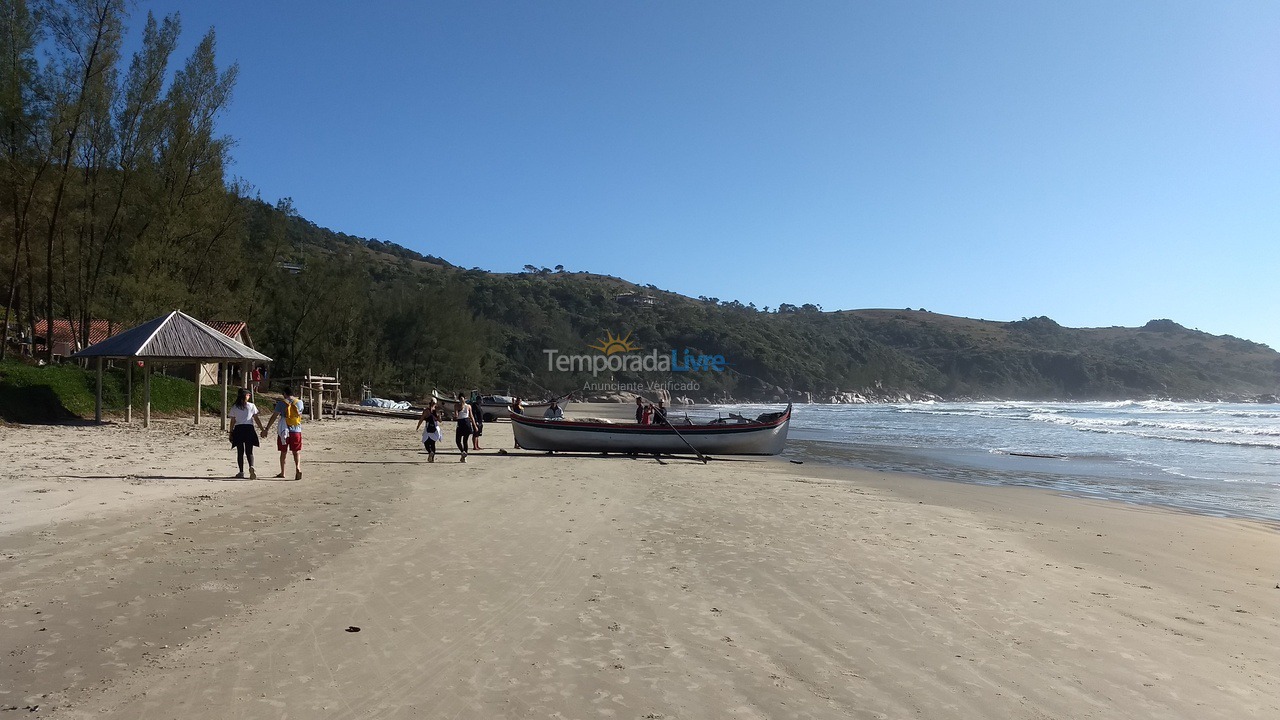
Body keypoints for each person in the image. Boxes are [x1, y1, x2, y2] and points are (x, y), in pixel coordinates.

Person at [262, 387, 305, 480]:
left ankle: (283, 472)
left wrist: (267, 428)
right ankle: (297, 467)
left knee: (283, 452)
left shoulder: (281, 403)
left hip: (283, 431)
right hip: (296, 430)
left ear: (285, 394)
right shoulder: (299, 402)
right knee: (296, 451)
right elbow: (299, 415)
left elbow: (274, 416)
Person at [229, 388, 266, 479]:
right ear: (246, 396)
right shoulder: (252, 406)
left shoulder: (235, 407)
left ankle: (241, 472)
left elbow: (233, 421)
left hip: (239, 429)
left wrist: (230, 432)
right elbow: (256, 419)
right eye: (249, 395)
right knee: (249, 451)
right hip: (249, 428)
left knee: (240, 451)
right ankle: (251, 466)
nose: (249, 396)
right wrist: (262, 429)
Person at [454, 394, 473, 462]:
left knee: (462, 440)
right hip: (463, 422)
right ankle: (463, 454)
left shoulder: (467, 406)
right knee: (461, 440)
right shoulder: (459, 406)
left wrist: (474, 425)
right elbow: (456, 414)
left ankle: (463, 454)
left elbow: (471, 416)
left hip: (464, 422)